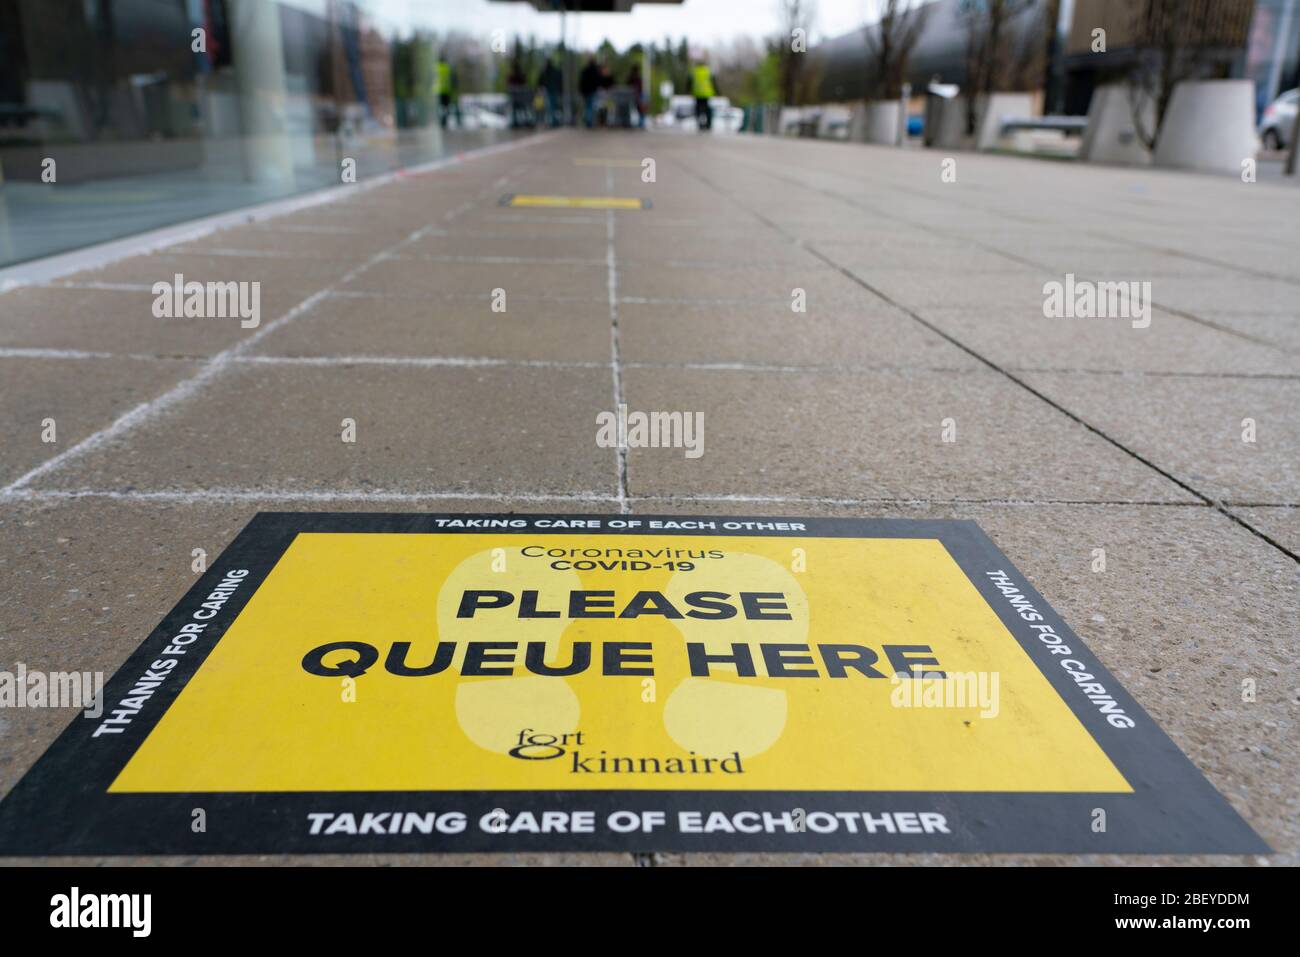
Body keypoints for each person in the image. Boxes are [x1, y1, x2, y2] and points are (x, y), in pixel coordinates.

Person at [691, 61, 717, 131]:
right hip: (707, 94)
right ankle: (708, 125)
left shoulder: (695, 72)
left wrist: (688, 91)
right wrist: (716, 91)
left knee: (698, 110)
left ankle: (699, 124)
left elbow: (690, 82)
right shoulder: (707, 71)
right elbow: (713, 81)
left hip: (697, 94)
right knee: (707, 109)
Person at [538, 57, 563, 127]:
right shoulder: (555, 71)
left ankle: (553, 121)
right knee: (553, 107)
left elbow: (540, 81)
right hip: (554, 91)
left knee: (550, 107)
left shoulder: (545, 71)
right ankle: (554, 121)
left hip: (549, 91)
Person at [579, 57, 600, 128]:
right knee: (590, 107)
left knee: (588, 106)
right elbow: (597, 81)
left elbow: (581, 82)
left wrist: (581, 90)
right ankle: (589, 121)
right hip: (592, 91)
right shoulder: (595, 71)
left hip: (586, 91)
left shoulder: (585, 70)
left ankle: (588, 121)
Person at [627, 63, 645, 129]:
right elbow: (640, 88)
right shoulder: (638, 78)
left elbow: (627, 86)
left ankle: (636, 123)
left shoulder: (630, 77)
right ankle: (641, 123)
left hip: (631, 96)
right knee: (640, 110)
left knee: (632, 110)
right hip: (637, 96)